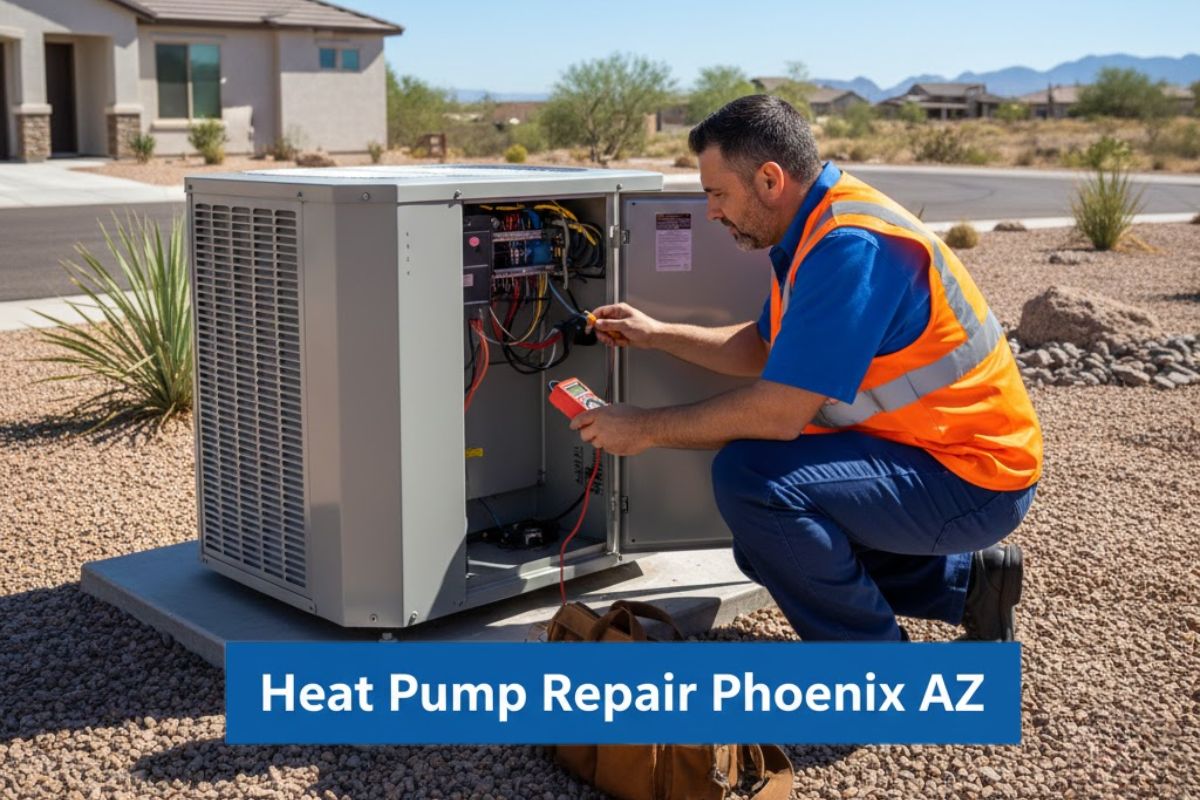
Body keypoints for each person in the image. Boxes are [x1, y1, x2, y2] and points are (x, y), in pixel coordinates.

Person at [572, 95, 1042, 642]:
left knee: (754, 484)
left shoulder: (850, 246)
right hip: (924, 452)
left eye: (718, 194)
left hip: (971, 476)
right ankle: (970, 585)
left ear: (770, 180)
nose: (712, 212)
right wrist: (657, 334)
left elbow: (778, 415)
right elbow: (760, 348)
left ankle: (870, 673)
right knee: (761, 544)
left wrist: (644, 428)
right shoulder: (814, 225)